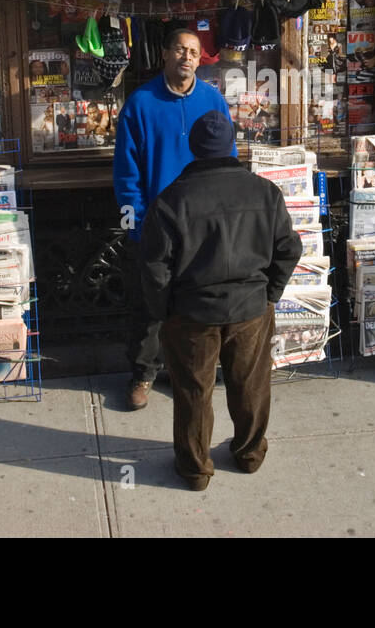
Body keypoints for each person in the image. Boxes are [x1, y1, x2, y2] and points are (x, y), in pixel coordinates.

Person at [140, 110, 302, 491]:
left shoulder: (171, 200)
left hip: (193, 313)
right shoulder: (265, 192)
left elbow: (154, 267)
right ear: (231, 144)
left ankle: (195, 470)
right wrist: (269, 295)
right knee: (252, 384)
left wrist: (165, 311)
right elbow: (288, 249)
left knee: (194, 391)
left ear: (194, 148)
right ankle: (249, 454)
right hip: (250, 307)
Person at [113, 27, 233, 410]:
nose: (186, 57)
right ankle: (143, 373)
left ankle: (193, 370)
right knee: (149, 304)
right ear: (166, 54)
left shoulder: (214, 101)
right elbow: (126, 171)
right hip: (154, 222)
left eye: (194, 52)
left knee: (199, 302)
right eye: (180, 50)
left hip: (202, 224)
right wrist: (133, 221)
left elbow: (227, 163)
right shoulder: (140, 103)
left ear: (201, 59)